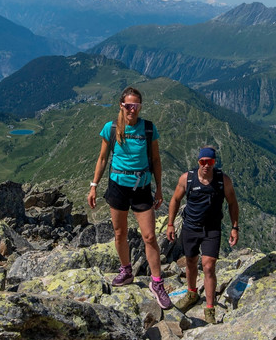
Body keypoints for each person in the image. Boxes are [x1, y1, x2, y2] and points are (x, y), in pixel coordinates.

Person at [87, 86, 170, 309]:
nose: (132, 109)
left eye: (136, 106)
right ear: (121, 106)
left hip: (142, 187)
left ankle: (156, 282)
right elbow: (103, 158)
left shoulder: (149, 129)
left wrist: (159, 188)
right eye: (127, 105)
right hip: (118, 186)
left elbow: (156, 160)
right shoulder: (111, 128)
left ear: (140, 107)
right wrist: (94, 186)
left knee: (150, 236)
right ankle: (126, 270)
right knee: (119, 232)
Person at [166, 146, 239, 323]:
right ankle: (191, 294)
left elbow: (232, 202)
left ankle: (209, 307)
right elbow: (175, 199)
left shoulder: (223, 180)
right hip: (190, 227)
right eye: (203, 162)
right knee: (191, 262)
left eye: (210, 162)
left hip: (212, 229)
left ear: (214, 163)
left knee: (208, 266)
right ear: (198, 162)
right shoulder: (187, 179)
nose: (206, 165)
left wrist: (234, 227)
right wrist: (170, 224)